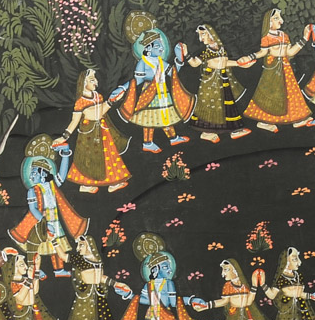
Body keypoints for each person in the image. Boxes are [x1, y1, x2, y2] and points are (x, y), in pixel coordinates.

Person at [9, 137, 87, 277]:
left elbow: (62, 175)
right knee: (36, 246)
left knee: (57, 243)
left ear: (43, 173)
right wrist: (44, 222)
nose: (31, 176)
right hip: (39, 221)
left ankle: (59, 270)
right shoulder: (32, 190)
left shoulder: (52, 185)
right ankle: (35, 270)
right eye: (31, 173)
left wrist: (65, 154)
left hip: (55, 219)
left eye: (34, 172)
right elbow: (33, 209)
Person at [110, 25, 191, 153]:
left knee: (166, 115)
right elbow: (137, 81)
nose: (161, 48)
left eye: (161, 45)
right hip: (149, 93)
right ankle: (147, 143)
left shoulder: (161, 61)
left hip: (163, 92)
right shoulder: (142, 63)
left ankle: (173, 138)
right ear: (148, 48)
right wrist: (122, 88)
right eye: (158, 46)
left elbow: (173, 73)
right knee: (149, 117)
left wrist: (180, 60)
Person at [53, 68, 130, 194]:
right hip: (88, 136)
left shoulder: (98, 96)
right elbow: (75, 121)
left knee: (109, 156)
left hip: (103, 132)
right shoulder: (80, 102)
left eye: (95, 79)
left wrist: (111, 101)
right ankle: (86, 185)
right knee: (88, 160)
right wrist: (64, 137)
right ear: (84, 83)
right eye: (92, 80)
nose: (96, 82)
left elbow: (101, 112)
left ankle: (114, 183)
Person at [239, 8, 312, 132]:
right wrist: (249, 57)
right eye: (276, 18)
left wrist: (304, 38)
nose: (281, 21)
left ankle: (297, 119)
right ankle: (264, 122)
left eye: (280, 17)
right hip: (272, 71)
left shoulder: (284, 35)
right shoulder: (266, 37)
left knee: (292, 94)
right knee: (270, 96)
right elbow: (263, 52)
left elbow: (290, 52)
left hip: (286, 69)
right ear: (269, 21)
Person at [178, 24, 251, 143]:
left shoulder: (221, 49)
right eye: (200, 35)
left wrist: (240, 64)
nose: (201, 38)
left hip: (223, 80)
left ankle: (234, 130)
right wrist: (186, 54)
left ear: (211, 34)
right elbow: (195, 63)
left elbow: (225, 63)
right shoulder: (206, 52)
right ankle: (207, 133)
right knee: (211, 107)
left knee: (228, 105)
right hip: (210, 83)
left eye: (203, 34)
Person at [57, 235, 125, 320]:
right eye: (78, 245)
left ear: (89, 245)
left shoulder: (97, 261)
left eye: (81, 245)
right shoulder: (80, 259)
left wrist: (116, 284)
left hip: (98, 293)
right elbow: (63, 256)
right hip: (86, 294)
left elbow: (101, 278)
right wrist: (54, 242)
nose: (78, 248)